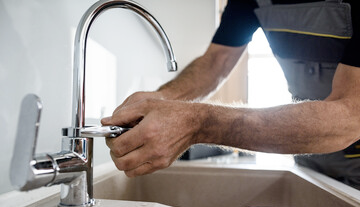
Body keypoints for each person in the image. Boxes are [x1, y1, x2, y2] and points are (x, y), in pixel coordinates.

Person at [101, 0, 360, 189]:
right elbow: (218, 60)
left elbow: (350, 117)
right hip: (312, 164)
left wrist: (198, 123)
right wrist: (161, 98)